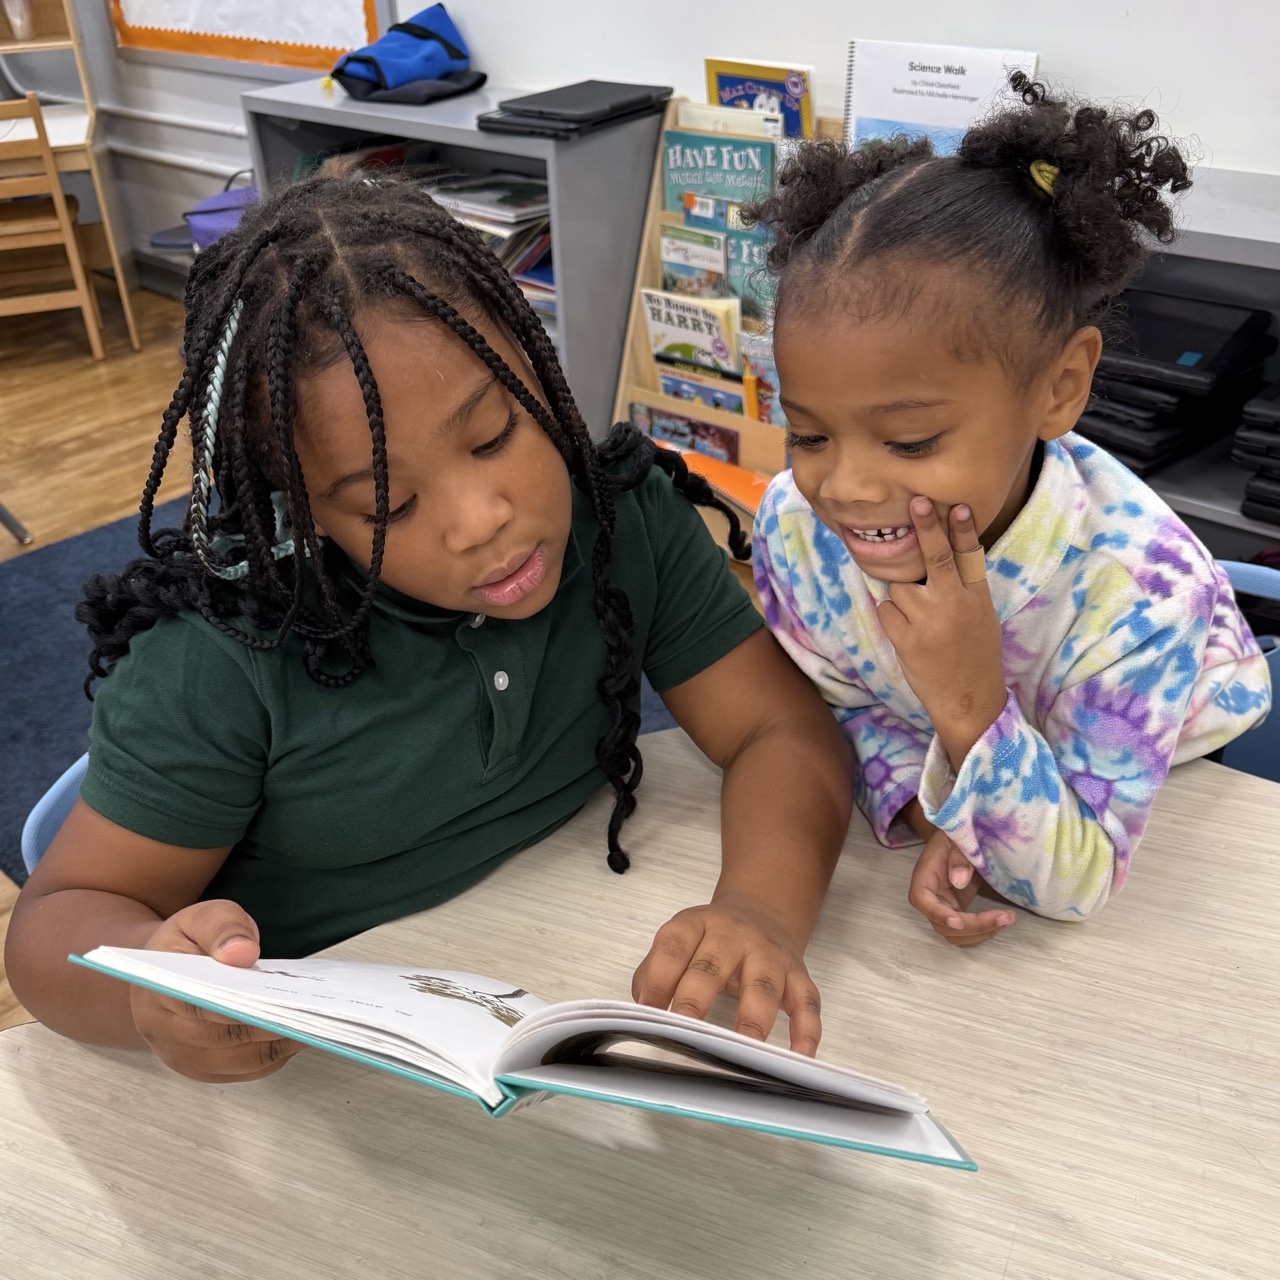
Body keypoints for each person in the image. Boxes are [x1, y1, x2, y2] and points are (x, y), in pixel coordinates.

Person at [5, 174, 853, 1080]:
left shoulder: (625, 518)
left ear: (541, 369)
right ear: (305, 515)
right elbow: (56, 925)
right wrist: (151, 995)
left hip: (546, 962)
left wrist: (761, 908)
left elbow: (778, 726)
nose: (478, 519)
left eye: (494, 436)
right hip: (317, 1074)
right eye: (389, 504)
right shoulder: (223, 658)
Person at [745, 75, 1271, 947]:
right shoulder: (798, 532)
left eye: (909, 442)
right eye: (807, 435)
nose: (844, 487)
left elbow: (1078, 879)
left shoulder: (1138, 596)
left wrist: (972, 706)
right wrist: (937, 810)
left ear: (1061, 387)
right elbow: (843, 702)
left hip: (1170, 775)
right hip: (976, 748)